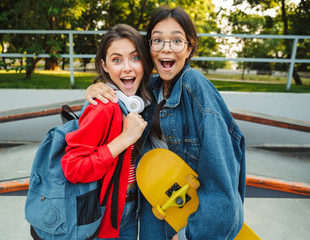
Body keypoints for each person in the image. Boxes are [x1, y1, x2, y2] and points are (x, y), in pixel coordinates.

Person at [85, 7, 246, 240]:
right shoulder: (147, 89)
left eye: (177, 41)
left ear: (189, 48)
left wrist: (191, 234)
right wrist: (96, 87)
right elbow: (118, 84)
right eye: (157, 40)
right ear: (149, 48)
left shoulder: (195, 86)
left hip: (188, 219)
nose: (166, 48)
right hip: (153, 210)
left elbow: (222, 181)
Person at [61, 24, 152, 239]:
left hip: (133, 205)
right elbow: (73, 168)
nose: (127, 68)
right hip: (105, 213)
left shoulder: (144, 100)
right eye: (117, 60)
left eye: (135, 58)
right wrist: (125, 139)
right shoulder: (103, 106)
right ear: (105, 65)